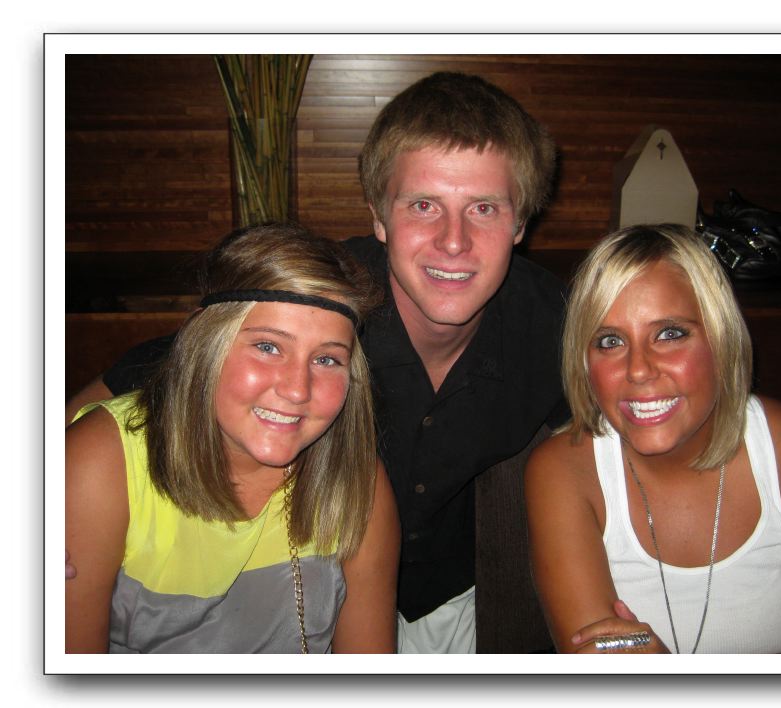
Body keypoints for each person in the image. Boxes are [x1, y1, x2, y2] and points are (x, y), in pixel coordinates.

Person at [65, 72, 569, 653]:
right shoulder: (321, 303)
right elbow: (150, 379)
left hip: (452, 601)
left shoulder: (554, 325)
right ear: (378, 217)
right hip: (313, 586)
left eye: (483, 208)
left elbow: (614, 428)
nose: (453, 241)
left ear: (521, 222)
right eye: (423, 205)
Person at [525, 224, 781, 654]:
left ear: (720, 339)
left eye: (669, 334)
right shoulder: (563, 473)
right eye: (610, 341)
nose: (639, 370)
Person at [66, 224, 400, 653]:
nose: (297, 389)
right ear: (206, 343)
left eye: (326, 359)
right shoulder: (102, 463)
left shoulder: (356, 481)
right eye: (268, 347)